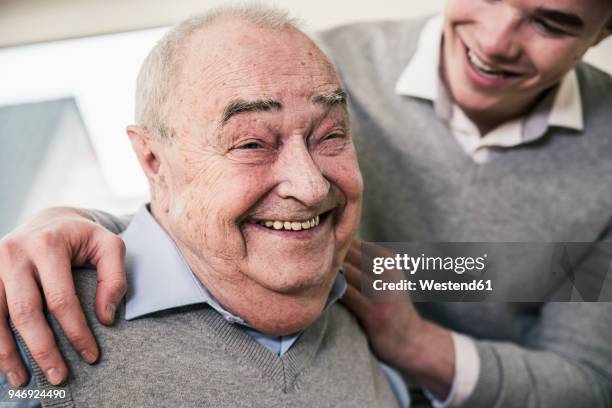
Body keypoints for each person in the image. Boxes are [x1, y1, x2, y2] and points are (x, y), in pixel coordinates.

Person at [2, 0, 612, 406]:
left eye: (551, 22)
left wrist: (419, 344)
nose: (496, 39)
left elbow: (585, 368)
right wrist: (76, 224)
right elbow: (206, 180)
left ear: (601, 33)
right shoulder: (327, 67)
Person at [0, 5, 411, 407]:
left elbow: (470, 275)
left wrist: (424, 347)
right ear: (153, 161)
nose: (311, 187)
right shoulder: (29, 319)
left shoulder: (378, 284)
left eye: (330, 135)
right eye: (251, 143)